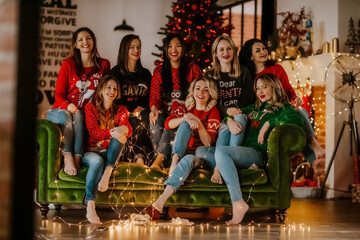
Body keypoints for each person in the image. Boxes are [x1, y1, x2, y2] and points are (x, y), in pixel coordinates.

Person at [215, 73, 303, 224]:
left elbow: (297, 119)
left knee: (222, 152)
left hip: (257, 154)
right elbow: (228, 116)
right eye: (257, 88)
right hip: (241, 153)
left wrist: (269, 123)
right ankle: (229, 166)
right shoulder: (253, 109)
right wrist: (229, 121)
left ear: (274, 87)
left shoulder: (284, 108)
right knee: (201, 152)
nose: (260, 91)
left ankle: (237, 203)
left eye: (264, 87)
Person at [239, 38, 326, 175]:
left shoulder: (277, 69)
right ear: (251, 56)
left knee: (300, 110)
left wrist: (295, 99)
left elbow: (289, 91)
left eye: (264, 48)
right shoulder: (247, 76)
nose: (263, 52)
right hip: (264, 112)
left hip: (281, 107)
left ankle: (314, 152)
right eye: (258, 50)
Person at [47, 27, 110, 176]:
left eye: (88, 38)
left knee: (79, 114)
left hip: (83, 113)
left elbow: (106, 91)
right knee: (67, 115)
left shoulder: (103, 65)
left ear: (93, 41)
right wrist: (68, 105)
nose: (85, 42)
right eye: (80, 39)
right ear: (75, 44)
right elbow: (59, 95)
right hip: (60, 111)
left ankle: (77, 157)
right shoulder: (68, 64)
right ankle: (68, 155)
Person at [152, 77, 220, 212]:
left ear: (211, 93)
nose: (201, 92)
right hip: (182, 152)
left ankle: (164, 197)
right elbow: (168, 124)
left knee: (190, 157)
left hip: (201, 155)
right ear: (193, 91)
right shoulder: (186, 107)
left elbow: (208, 143)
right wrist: (185, 118)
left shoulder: (213, 111)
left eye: (206, 90)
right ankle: (174, 163)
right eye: (198, 88)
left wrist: (199, 123)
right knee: (184, 123)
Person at [201, 35, 255, 183]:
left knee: (238, 118)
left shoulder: (243, 72)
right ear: (216, 54)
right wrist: (227, 113)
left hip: (241, 116)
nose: (226, 52)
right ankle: (230, 166)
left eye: (229, 48)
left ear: (234, 51)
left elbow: (248, 100)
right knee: (202, 150)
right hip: (220, 117)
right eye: (221, 49)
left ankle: (219, 167)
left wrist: (232, 116)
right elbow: (210, 102)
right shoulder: (210, 76)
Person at [83, 75, 133, 224]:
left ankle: (108, 170)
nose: (112, 91)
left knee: (121, 134)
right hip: (92, 151)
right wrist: (117, 131)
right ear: (101, 90)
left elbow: (128, 128)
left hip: (112, 152)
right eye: (108, 88)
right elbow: (94, 132)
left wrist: (123, 128)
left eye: (115, 89)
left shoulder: (122, 109)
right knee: (97, 161)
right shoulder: (90, 107)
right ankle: (90, 205)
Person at [149, 33, 202, 170]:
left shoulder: (193, 69)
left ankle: (159, 163)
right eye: (170, 46)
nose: (174, 50)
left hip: (185, 114)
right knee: (155, 122)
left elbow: (198, 94)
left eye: (178, 46)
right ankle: (162, 162)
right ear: (165, 50)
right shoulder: (159, 71)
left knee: (171, 125)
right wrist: (153, 109)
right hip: (165, 113)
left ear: (183, 49)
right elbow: (155, 97)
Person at [110, 34, 152, 164]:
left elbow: (151, 96)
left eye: (138, 47)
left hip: (141, 114)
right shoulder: (115, 73)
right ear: (124, 50)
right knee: (132, 119)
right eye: (132, 47)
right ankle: (138, 155)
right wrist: (129, 111)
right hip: (122, 113)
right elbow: (112, 98)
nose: (136, 51)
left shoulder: (145, 73)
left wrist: (143, 107)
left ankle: (132, 152)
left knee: (144, 116)